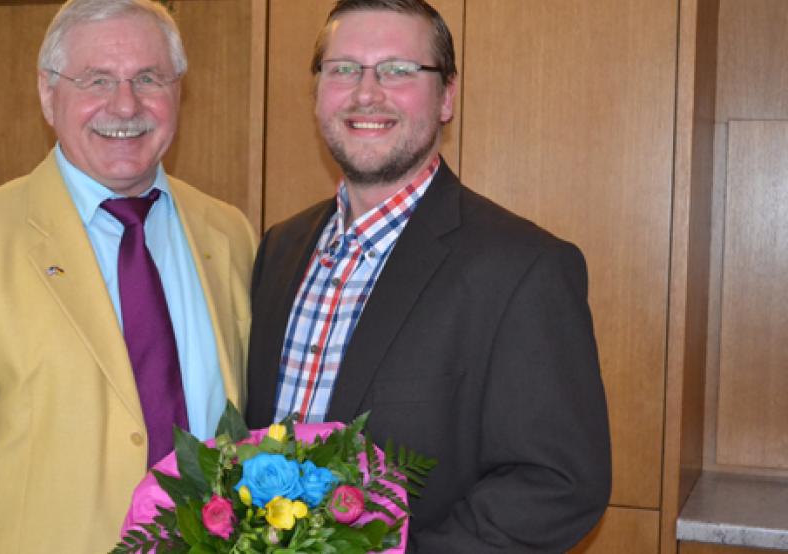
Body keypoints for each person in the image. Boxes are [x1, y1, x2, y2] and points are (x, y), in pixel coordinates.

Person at [0, 0, 257, 551]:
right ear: (47, 93)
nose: (125, 105)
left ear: (179, 91)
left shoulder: (230, 235)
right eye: (96, 79)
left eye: (147, 78)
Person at [245, 0, 611, 551]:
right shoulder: (280, 248)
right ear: (318, 91)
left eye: (398, 70)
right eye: (343, 69)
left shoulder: (523, 268)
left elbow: (558, 485)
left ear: (447, 97)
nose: (366, 93)